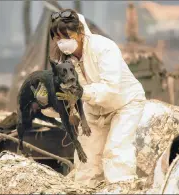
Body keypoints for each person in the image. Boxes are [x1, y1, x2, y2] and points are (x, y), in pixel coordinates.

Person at [43, 9, 146, 187]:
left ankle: (121, 189)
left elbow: (111, 88)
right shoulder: (65, 62)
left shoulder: (104, 47)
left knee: (116, 151)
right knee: (87, 160)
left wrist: (82, 93)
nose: (62, 42)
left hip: (125, 104)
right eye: (58, 38)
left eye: (66, 36)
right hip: (93, 108)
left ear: (80, 31)